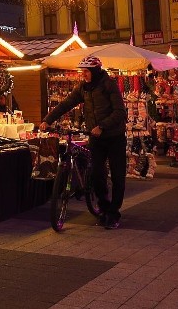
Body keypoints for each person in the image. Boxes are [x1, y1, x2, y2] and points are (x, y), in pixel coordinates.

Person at [39, 56, 128, 229]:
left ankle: (113, 213)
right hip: (96, 138)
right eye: (83, 72)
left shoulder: (108, 85)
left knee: (118, 176)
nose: (83, 75)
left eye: (86, 71)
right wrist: (48, 120)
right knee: (97, 174)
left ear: (94, 71)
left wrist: (102, 126)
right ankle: (103, 208)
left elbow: (120, 112)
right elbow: (65, 104)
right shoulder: (83, 88)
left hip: (114, 137)